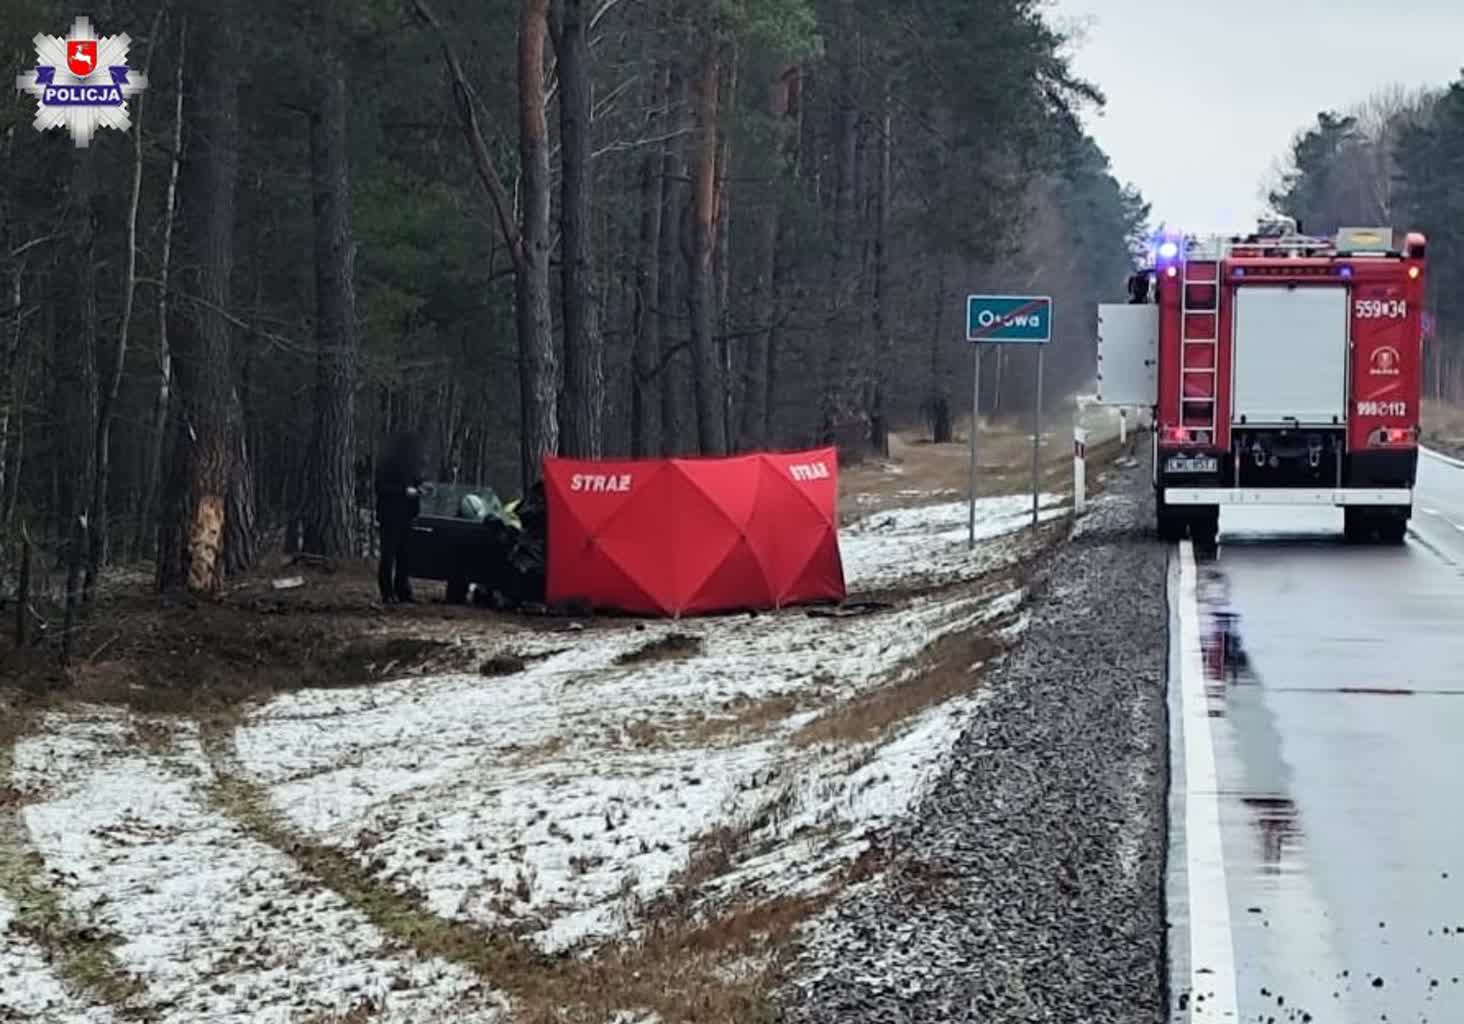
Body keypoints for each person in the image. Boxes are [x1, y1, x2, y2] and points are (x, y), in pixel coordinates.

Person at [374, 429, 427, 604]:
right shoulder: (386, 463)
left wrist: (422, 488)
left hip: (407, 515)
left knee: (405, 555)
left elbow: (416, 482)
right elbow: (381, 488)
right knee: (388, 555)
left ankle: (403, 590)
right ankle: (387, 592)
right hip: (390, 516)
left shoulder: (413, 464)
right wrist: (404, 491)